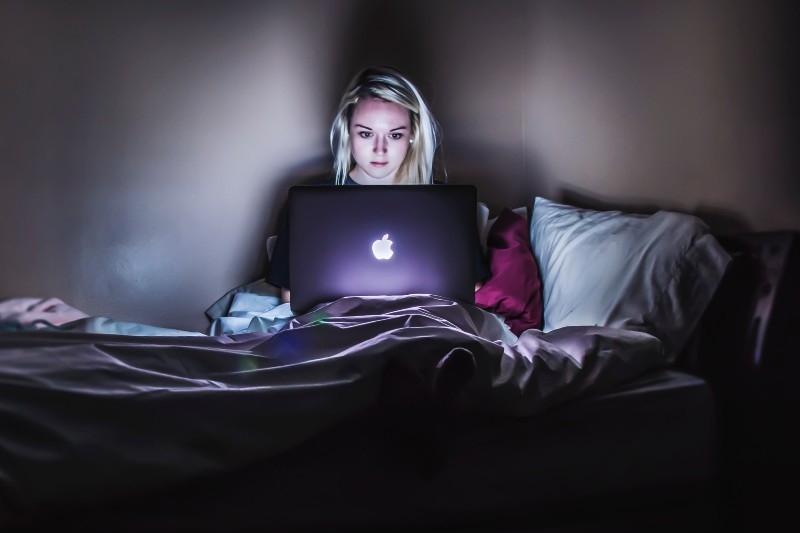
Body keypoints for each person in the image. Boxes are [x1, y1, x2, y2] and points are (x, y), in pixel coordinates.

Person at [266, 65, 488, 303]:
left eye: (394, 135)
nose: (380, 150)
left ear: (412, 135)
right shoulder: (309, 206)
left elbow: (470, 288)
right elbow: (291, 296)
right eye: (366, 134)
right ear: (347, 131)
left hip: (421, 324)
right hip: (339, 327)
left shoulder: (446, 205)